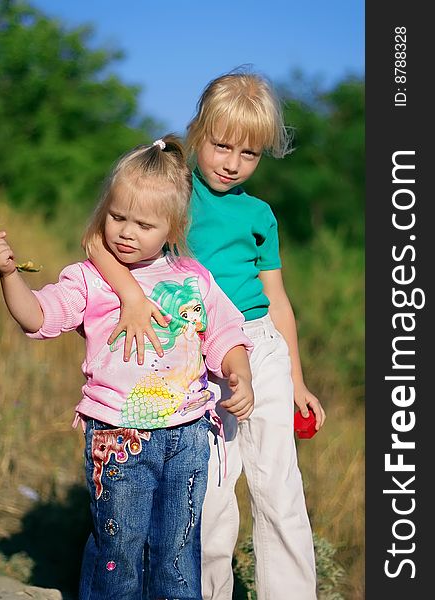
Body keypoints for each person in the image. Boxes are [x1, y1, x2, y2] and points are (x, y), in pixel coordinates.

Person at [0, 134, 255, 600]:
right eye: (117, 217)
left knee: (177, 549)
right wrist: (9, 276)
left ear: (172, 228)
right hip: (118, 435)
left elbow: (226, 331)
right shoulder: (89, 279)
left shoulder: (192, 277)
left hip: (188, 434)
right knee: (121, 547)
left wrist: (239, 371)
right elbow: (39, 316)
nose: (127, 232)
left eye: (144, 224)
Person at [89, 70, 326, 600]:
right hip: (196, 355)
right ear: (198, 130)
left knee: (280, 489)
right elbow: (99, 243)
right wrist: (131, 295)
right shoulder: (172, 190)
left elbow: (278, 300)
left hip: (261, 348)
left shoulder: (260, 214)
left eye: (250, 153)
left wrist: (297, 379)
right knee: (210, 496)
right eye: (222, 145)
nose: (232, 163)